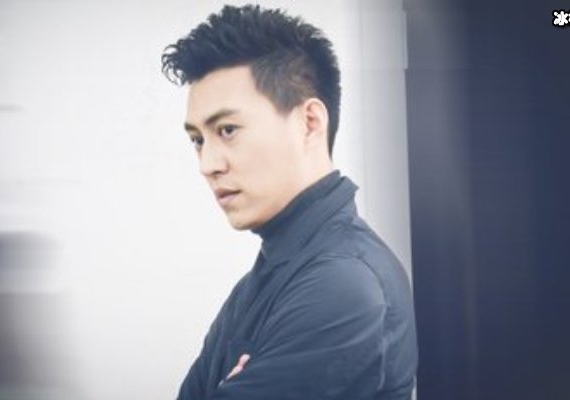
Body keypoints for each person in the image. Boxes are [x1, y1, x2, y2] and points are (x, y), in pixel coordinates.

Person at [161, 4, 417, 399]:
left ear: (309, 123)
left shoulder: (342, 284)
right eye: (198, 140)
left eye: (227, 130)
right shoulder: (268, 277)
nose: (207, 164)